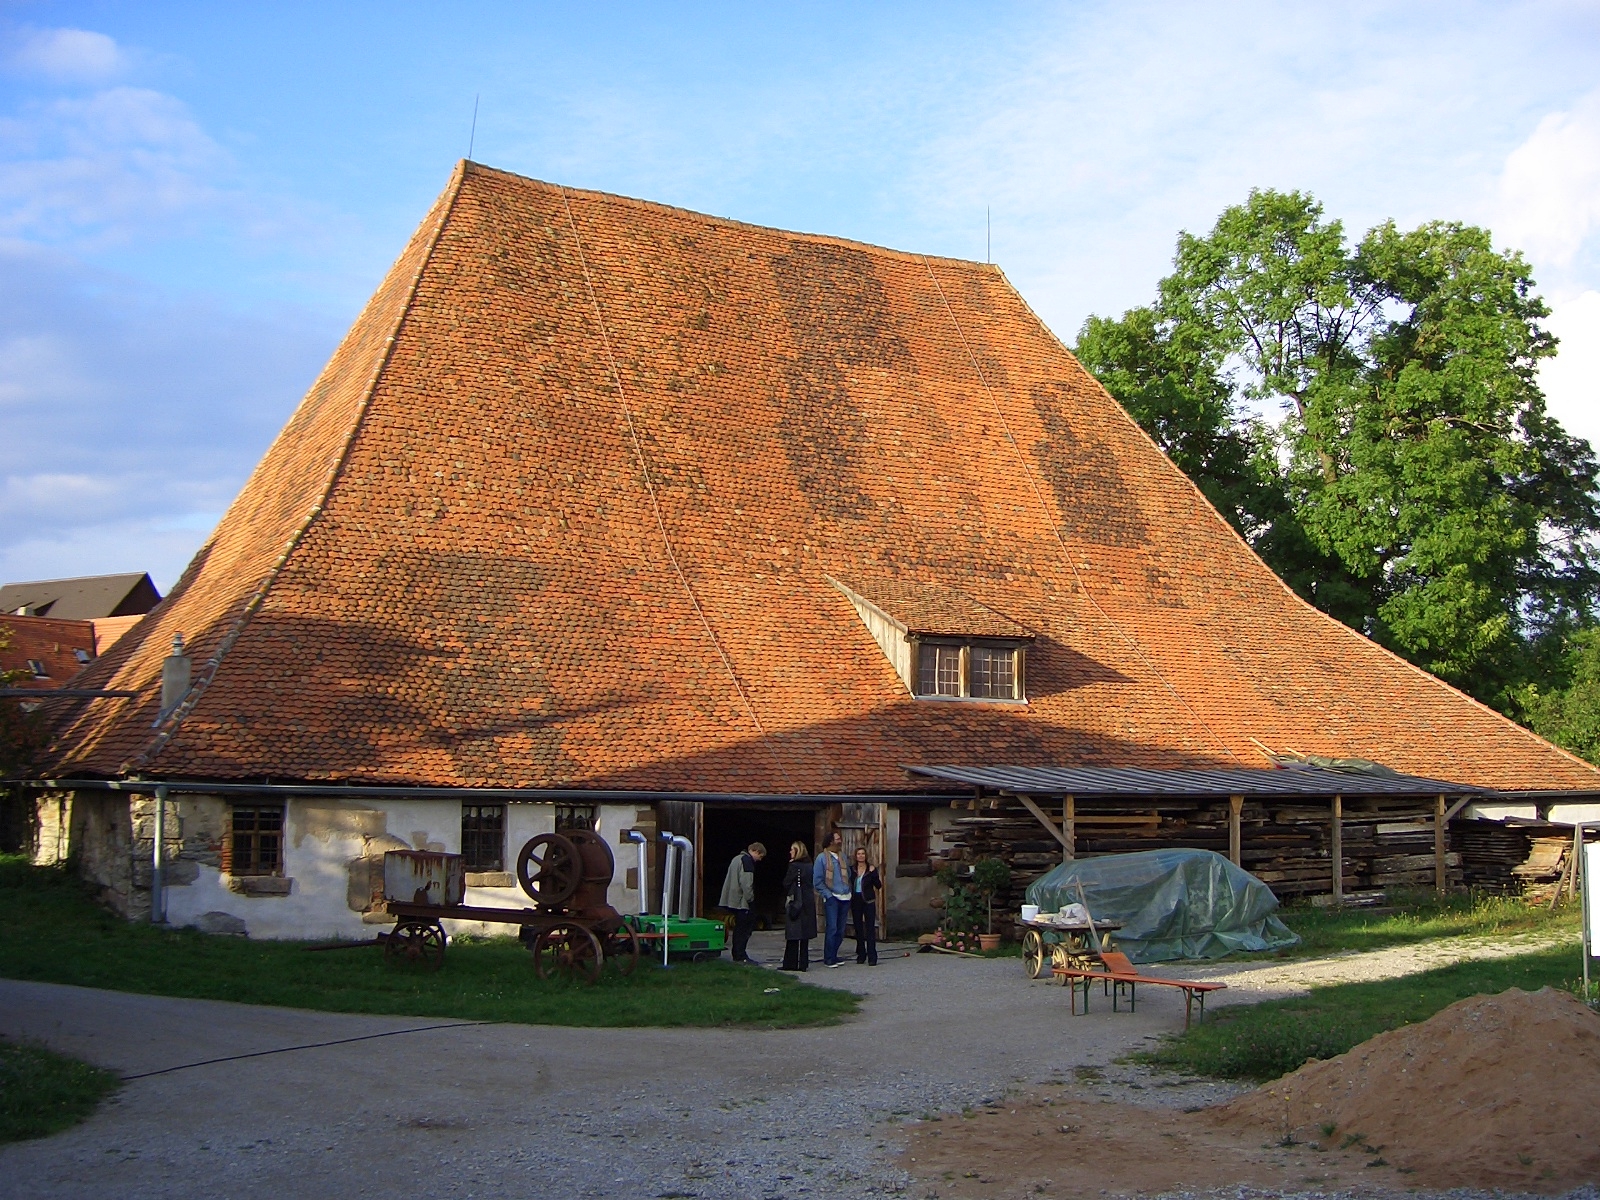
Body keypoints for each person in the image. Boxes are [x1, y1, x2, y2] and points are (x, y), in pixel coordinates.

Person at [718, 841, 766, 964]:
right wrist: (751, 900)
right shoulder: (747, 862)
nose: (759, 860)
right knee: (744, 930)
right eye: (760, 856)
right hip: (742, 902)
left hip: (732, 900)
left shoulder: (736, 859)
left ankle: (737, 954)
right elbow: (746, 884)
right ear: (756, 851)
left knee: (738, 929)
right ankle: (741, 955)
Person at [813, 830, 852, 967]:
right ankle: (828, 958)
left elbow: (849, 874)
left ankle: (834, 955)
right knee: (832, 928)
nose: (840, 840)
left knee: (841, 930)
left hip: (845, 896)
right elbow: (817, 881)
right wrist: (828, 896)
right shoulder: (821, 858)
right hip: (832, 897)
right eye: (837, 839)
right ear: (831, 841)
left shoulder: (843, 857)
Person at [781, 841, 816, 971]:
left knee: (793, 932)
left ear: (797, 851)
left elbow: (786, 883)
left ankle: (790, 963)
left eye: (792, 850)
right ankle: (803, 963)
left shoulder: (794, 866)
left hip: (796, 901)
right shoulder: (810, 865)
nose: (790, 852)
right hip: (808, 900)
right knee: (805, 934)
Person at [850, 845, 882, 966]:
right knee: (858, 928)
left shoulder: (871, 869)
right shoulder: (852, 869)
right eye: (859, 854)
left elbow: (878, 885)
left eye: (863, 854)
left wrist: (874, 874)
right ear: (856, 856)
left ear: (866, 856)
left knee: (870, 929)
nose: (861, 856)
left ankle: (872, 956)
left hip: (868, 900)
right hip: (856, 899)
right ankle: (861, 954)